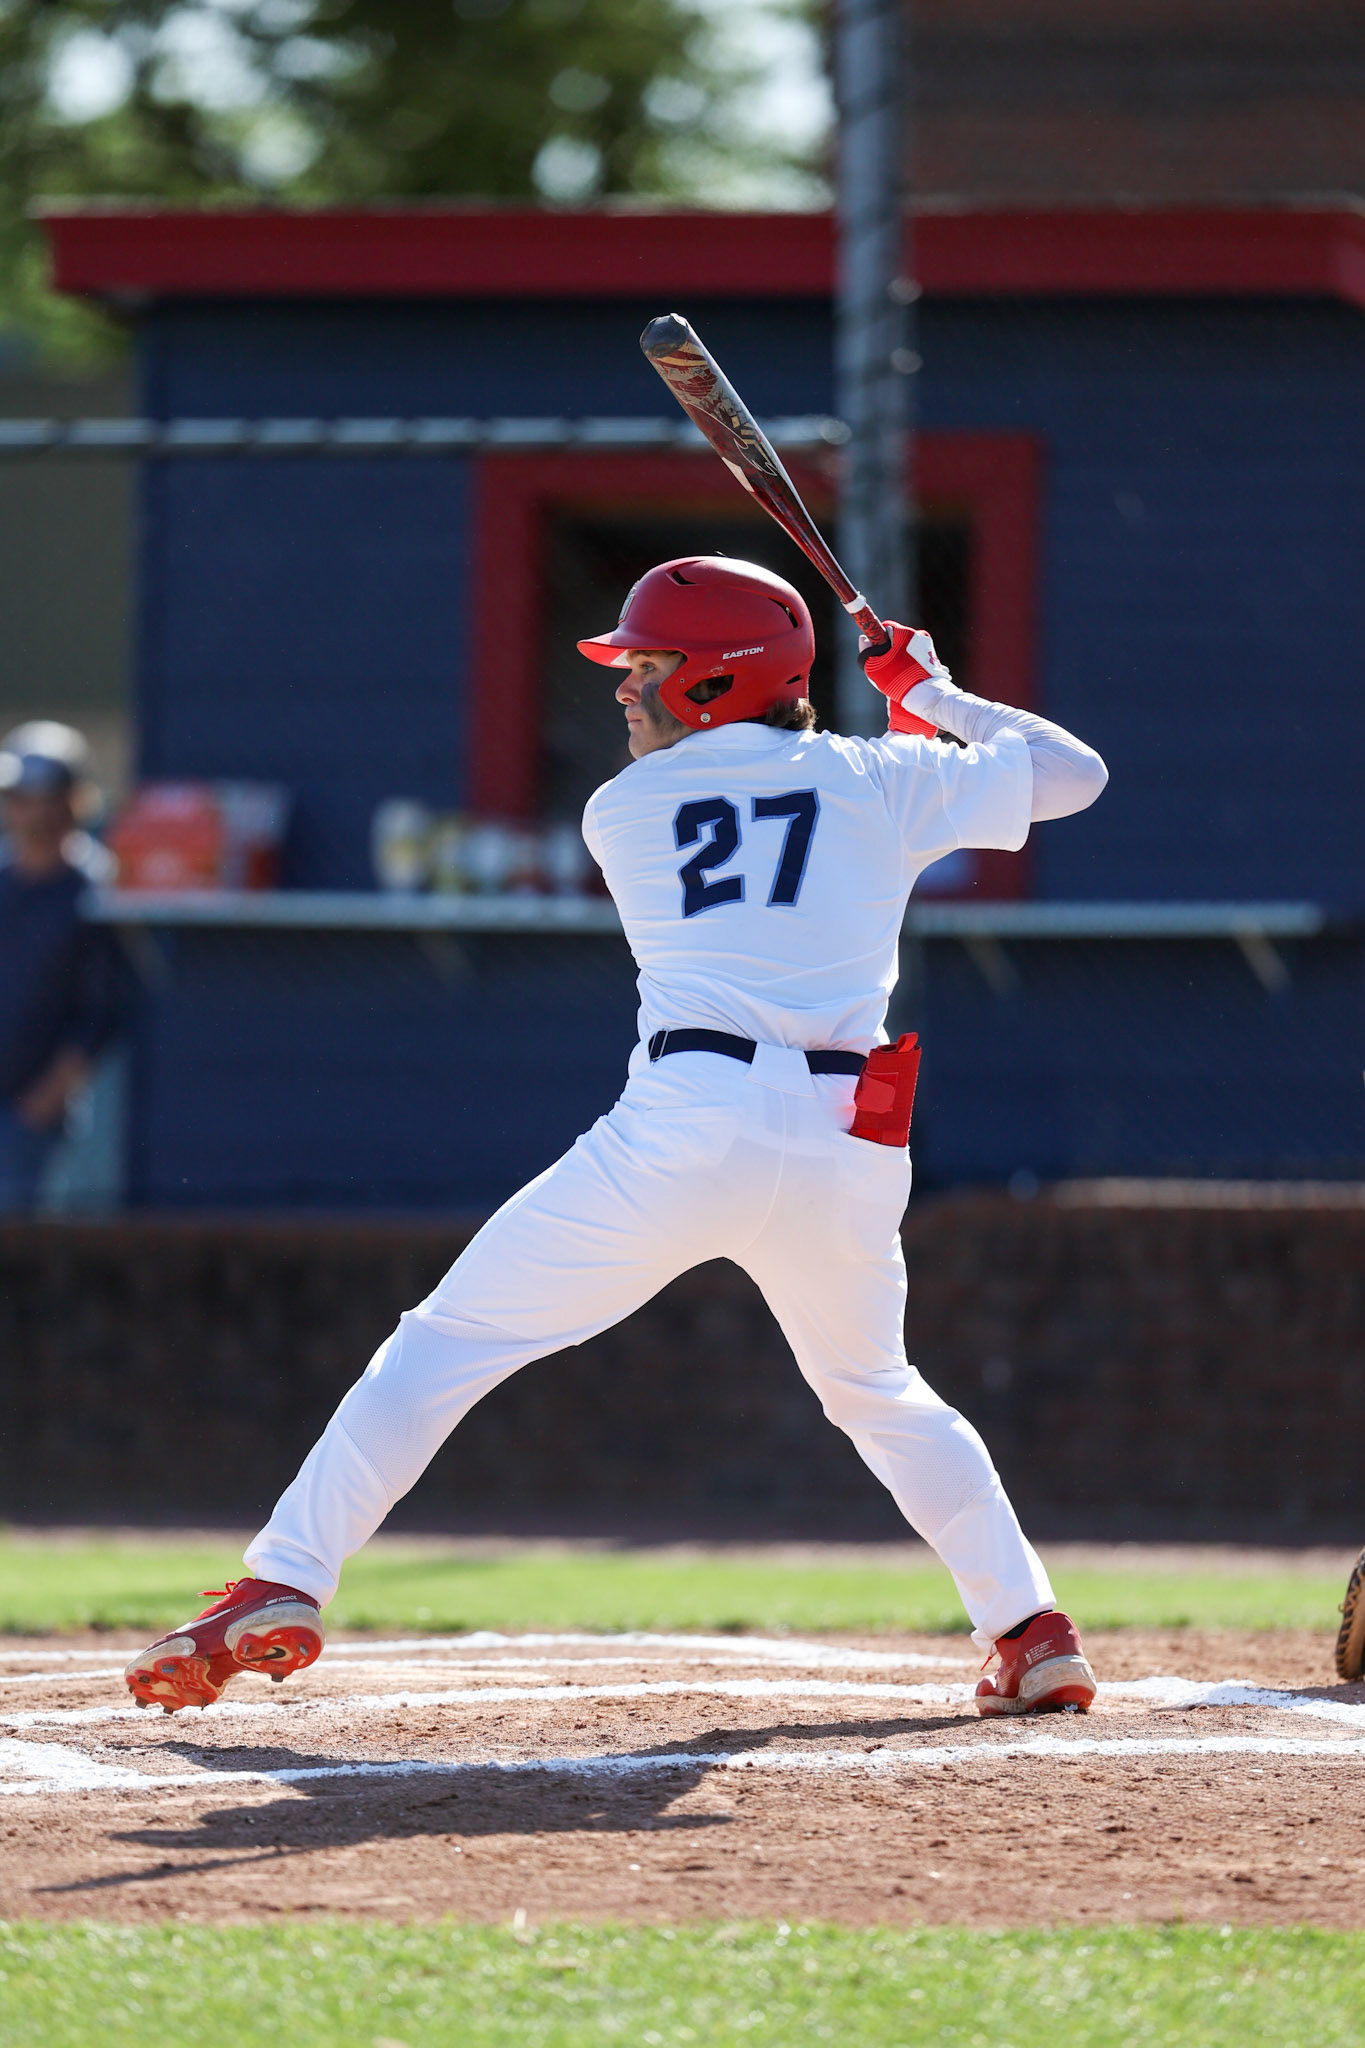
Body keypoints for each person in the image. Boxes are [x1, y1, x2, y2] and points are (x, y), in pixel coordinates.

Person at [125, 558, 1109, 1719]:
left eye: (648, 667)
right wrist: (931, 693)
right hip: (849, 1139)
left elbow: (772, 808)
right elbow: (1073, 776)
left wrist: (892, 725)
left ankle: (282, 1579)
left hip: (688, 1125)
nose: (625, 688)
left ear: (710, 683)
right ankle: (1032, 1629)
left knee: (442, 1341)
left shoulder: (625, 810)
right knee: (879, 1388)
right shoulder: (882, 776)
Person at [0, 721, 120, 1213]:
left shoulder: (99, 893)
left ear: (72, 801)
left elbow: (105, 1010)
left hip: (41, 1118)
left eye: (40, 795)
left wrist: (48, 1098)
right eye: (17, 795)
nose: (27, 809)